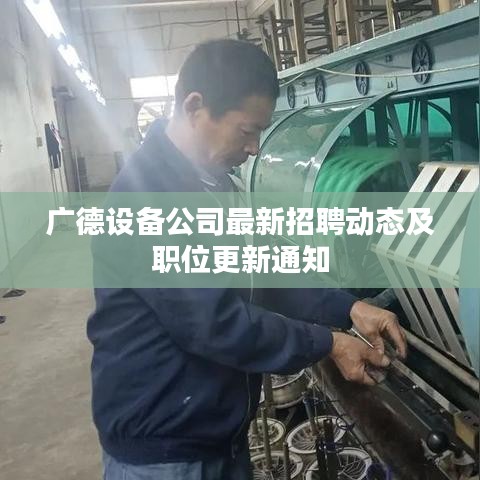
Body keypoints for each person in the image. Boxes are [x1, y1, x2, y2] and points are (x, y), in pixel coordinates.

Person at [87, 39, 407, 480]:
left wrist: (347, 307)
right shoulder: (146, 198)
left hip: (218, 433)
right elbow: (214, 323)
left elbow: (264, 267)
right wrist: (328, 343)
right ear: (195, 107)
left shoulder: (212, 183)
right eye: (246, 131)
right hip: (166, 452)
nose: (255, 148)